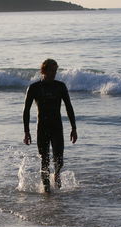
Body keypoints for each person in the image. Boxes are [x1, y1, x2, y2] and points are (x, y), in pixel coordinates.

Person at [23, 59, 77, 193]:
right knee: (44, 160)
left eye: (55, 71)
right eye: (51, 71)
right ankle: (47, 190)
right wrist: (26, 132)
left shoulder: (60, 86)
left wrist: (73, 128)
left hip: (57, 127)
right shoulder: (34, 88)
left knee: (59, 160)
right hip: (42, 127)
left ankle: (57, 175)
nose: (53, 74)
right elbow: (26, 110)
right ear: (43, 71)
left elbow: (69, 107)